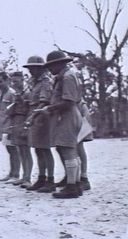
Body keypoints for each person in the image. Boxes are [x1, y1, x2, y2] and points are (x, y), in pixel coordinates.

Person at [38, 51, 83, 199]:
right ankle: (75, 184)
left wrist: (49, 108)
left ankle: (71, 187)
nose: (50, 69)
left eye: (52, 65)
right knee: (69, 149)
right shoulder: (64, 76)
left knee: (67, 149)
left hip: (68, 115)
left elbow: (68, 101)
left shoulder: (67, 76)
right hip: (67, 115)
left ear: (61, 63)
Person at [22, 56, 55, 192]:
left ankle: (50, 180)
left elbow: (44, 101)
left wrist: (33, 116)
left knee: (45, 149)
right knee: (37, 149)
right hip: (34, 113)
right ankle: (41, 177)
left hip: (42, 116)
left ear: (41, 68)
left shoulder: (46, 82)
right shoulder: (33, 82)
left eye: (33, 68)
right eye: (29, 68)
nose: (30, 70)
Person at [8, 71, 34, 188]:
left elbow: (29, 108)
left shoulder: (28, 93)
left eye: (16, 81)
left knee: (26, 150)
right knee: (20, 150)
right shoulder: (16, 93)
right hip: (16, 120)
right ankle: (24, 176)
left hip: (24, 120)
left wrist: (27, 125)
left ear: (22, 80)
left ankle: (28, 177)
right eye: (12, 81)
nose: (14, 83)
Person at [0, 71, 21, 183]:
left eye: (0, 81)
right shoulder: (1, 95)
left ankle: (16, 174)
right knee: (9, 150)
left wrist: (11, 127)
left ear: (7, 80)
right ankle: (11, 173)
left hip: (10, 125)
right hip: (3, 125)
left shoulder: (12, 93)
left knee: (14, 150)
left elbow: (15, 110)